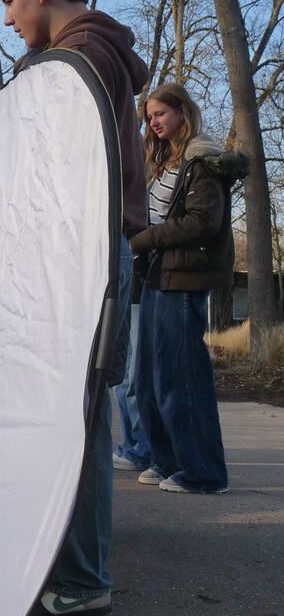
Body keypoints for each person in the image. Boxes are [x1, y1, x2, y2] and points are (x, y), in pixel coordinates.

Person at [0, 0, 149, 613]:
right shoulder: (88, 58)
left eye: (9, 1)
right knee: (71, 413)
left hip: (80, 257)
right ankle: (67, 570)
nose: (6, 19)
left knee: (74, 419)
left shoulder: (77, 60)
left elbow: (48, 178)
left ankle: (82, 582)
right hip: (86, 252)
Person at [129, 83, 246, 496]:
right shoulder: (165, 161)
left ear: (182, 112)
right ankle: (170, 461)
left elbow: (203, 222)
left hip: (185, 278)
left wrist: (145, 240)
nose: (154, 122)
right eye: (149, 117)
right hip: (160, 275)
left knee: (183, 377)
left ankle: (205, 472)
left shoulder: (201, 159)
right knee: (149, 378)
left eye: (160, 113)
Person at [111, 272, 152, 472]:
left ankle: (141, 448)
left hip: (139, 291)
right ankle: (132, 444)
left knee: (132, 376)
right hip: (129, 292)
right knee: (123, 377)